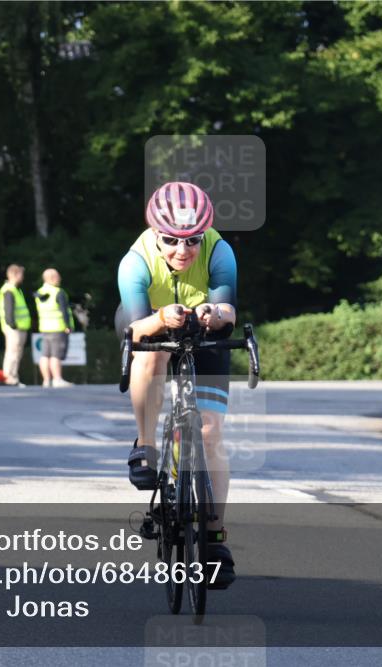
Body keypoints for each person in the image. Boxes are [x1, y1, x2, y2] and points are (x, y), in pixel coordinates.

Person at [117, 181, 238, 588]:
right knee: (152, 353)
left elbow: (229, 310)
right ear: (155, 233)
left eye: (192, 240)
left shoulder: (220, 251)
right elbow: (135, 329)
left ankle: (215, 539)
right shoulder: (135, 261)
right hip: (147, 322)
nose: (182, 250)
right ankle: (146, 445)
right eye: (170, 240)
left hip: (202, 327)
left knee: (210, 433)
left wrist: (214, 314)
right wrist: (159, 318)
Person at [34, 268, 75, 388]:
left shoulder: (39, 292)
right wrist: (67, 326)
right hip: (58, 327)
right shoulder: (58, 292)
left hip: (45, 327)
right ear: (53, 278)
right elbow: (64, 311)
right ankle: (57, 379)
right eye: (58, 276)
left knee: (45, 355)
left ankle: (46, 380)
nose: (60, 278)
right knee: (55, 355)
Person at [0, 264, 30, 386]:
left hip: (19, 327)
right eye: (21, 274)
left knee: (17, 353)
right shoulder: (9, 290)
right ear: (14, 275)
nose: (22, 277)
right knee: (12, 352)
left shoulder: (15, 289)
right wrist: (12, 325)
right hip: (14, 328)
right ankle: (9, 377)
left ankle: (13, 377)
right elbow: (8, 309)